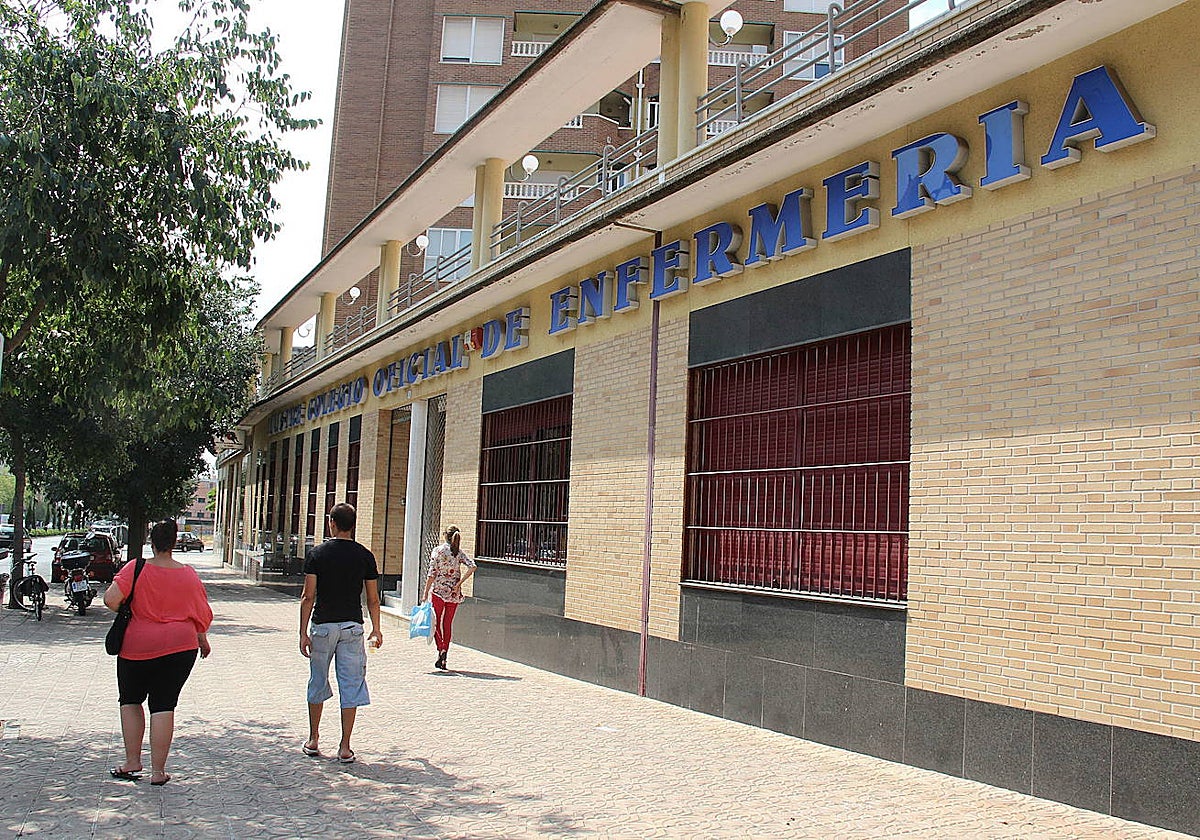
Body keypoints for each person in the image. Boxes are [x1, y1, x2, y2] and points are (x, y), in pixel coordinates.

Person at [104, 520, 213, 787]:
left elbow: (110, 600)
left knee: (130, 700)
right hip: (180, 647)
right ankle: (157, 771)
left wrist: (135, 612)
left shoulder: (135, 568)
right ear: (175, 543)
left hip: (137, 646)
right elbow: (201, 614)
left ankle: (132, 761)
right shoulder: (188, 574)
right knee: (164, 704)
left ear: (151, 542)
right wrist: (202, 638)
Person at [299, 502, 382, 764]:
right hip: (352, 627)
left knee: (318, 680)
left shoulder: (317, 554)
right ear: (353, 525)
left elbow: (307, 595)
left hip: (323, 626)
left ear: (331, 523)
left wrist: (303, 632)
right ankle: (345, 746)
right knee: (351, 683)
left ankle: (313, 739)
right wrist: (376, 629)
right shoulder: (365, 556)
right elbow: (372, 599)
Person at [422, 525, 476, 671]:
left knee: (435, 622)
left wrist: (425, 592)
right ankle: (445, 651)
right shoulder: (458, 553)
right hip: (453, 593)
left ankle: (441, 649)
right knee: (448, 623)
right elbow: (472, 566)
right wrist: (459, 583)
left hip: (439, 591)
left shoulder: (438, 551)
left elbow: (432, 573)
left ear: (445, 535)